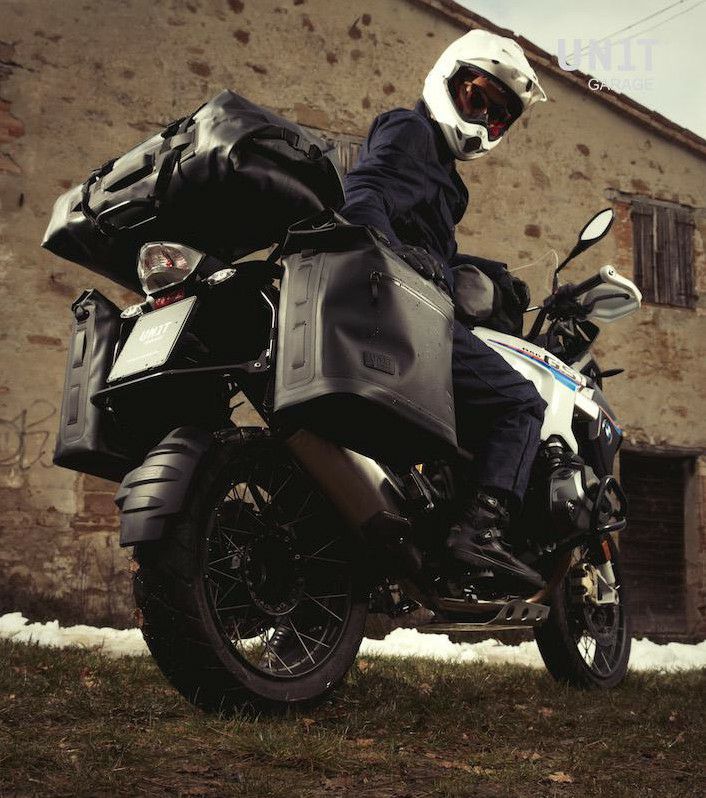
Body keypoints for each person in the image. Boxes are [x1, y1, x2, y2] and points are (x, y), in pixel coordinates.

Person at [339, 29, 548, 592]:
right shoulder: (411, 132)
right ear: (449, 77)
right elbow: (365, 194)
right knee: (521, 404)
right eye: (478, 98)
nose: (484, 120)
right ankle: (481, 530)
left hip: (400, 303)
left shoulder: (444, 176)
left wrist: (492, 277)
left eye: (499, 118)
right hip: (403, 309)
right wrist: (389, 258)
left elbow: (426, 242)